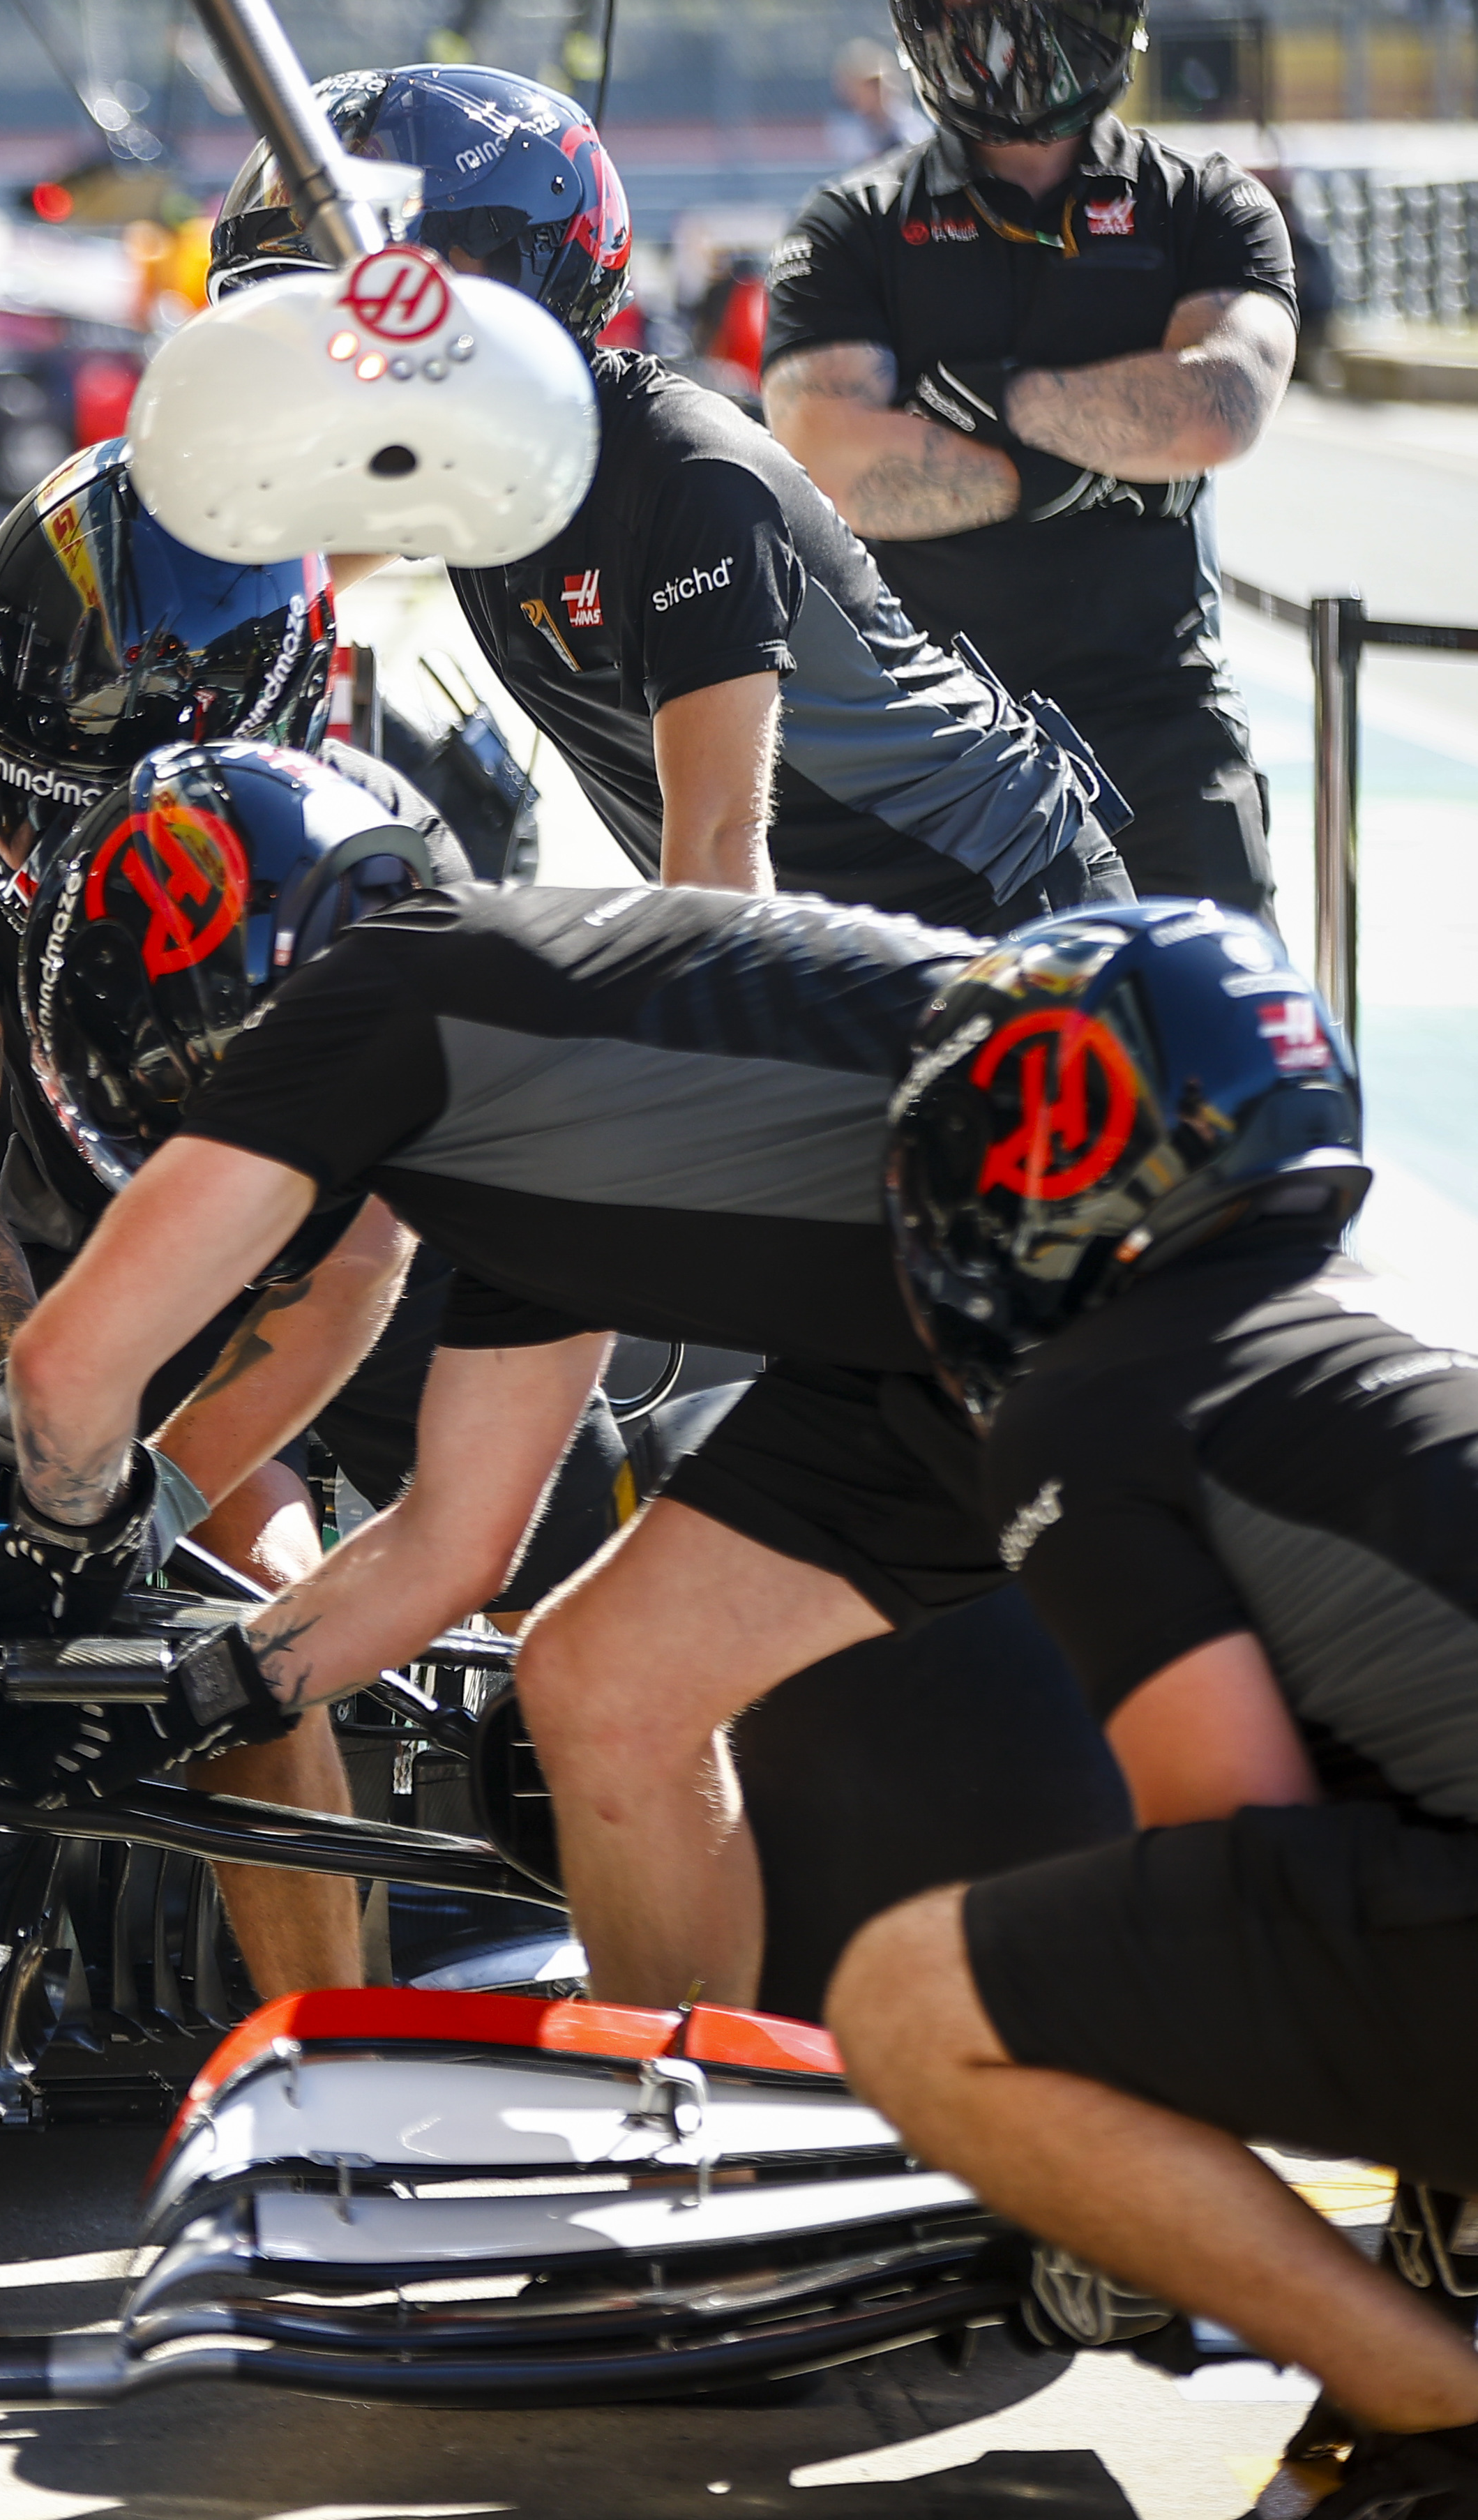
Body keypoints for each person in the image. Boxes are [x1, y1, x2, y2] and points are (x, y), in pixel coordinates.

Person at [0, 873, 1122, 2012]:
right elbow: (449, 1546)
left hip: (1098, 1226)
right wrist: (190, 1696)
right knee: (597, 1674)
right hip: (941, 1316)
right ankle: (682, 2128)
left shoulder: (372, 988)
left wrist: (44, 1567)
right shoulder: (501, 1151)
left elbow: (64, 1367)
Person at [0, 455, 617, 2000]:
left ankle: (654, 2007)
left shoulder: (378, 850)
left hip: (370, 1241)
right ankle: (313, 2041)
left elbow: (356, 1273)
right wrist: (50, 1450)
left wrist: (162, 1484)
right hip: (100, 1250)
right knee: (226, 1626)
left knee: (592, 1650)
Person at [829, 903, 1478, 2517]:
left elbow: (1226, 1841)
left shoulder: (1095, 1396)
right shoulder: (1383, 1332)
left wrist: (1111, 2203)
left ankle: (1437, 2406)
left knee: (913, 1996)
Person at [219, 66, 1129, 928]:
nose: (360, 345)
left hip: (996, 901)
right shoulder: (460, 462)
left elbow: (718, 854)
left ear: (516, 271)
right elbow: (262, 567)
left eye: (397, 299)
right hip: (838, 927)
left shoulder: (685, 478)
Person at [764, 0, 1296, 913]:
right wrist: (1104, 454)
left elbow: (1216, 407)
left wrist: (976, 397)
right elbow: (835, 468)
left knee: (1219, 1038)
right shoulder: (847, 227)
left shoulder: (1206, 203)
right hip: (929, 737)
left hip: (1160, 731)